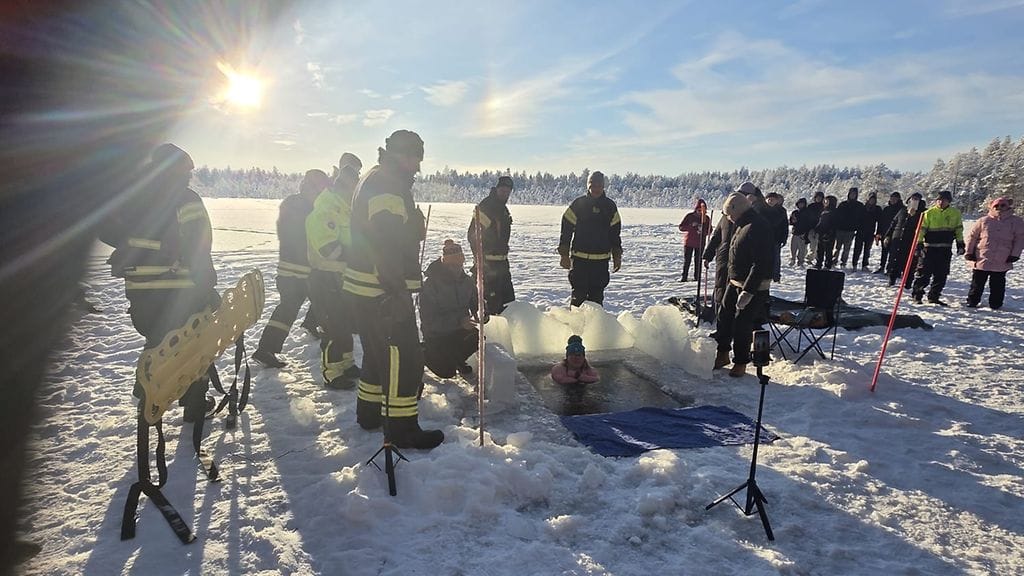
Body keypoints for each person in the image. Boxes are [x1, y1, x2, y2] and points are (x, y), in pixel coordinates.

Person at [98, 143, 217, 422]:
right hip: (180, 288)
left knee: (157, 340)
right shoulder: (186, 199)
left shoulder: (134, 197)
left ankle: (146, 393)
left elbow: (105, 227)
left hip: (139, 290)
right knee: (195, 342)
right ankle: (194, 403)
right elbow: (199, 244)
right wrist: (207, 286)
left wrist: (137, 245)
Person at [343, 130, 443, 449]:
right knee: (404, 357)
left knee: (377, 353)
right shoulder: (386, 185)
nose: (417, 166)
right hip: (382, 289)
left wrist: (412, 228)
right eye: (415, 158)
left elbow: (392, 232)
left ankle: (370, 413)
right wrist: (396, 291)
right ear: (401, 154)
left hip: (369, 288)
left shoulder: (380, 178)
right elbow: (384, 243)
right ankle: (402, 429)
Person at [252, 169, 330, 368]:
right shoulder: (299, 205)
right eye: (319, 187)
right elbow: (300, 236)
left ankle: (310, 326)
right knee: (294, 308)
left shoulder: (303, 204)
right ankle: (265, 349)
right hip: (297, 271)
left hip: (300, 270)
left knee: (302, 306)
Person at [306, 156, 363, 389]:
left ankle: (347, 365)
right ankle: (332, 372)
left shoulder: (345, 207)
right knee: (333, 326)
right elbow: (328, 247)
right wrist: (353, 255)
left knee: (345, 324)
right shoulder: (326, 208)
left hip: (342, 276)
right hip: (325, 276)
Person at [713, 193, 773, 377]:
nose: (727, 218)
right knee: (724, 316)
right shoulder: (741, 225)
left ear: (735, 210)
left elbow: (762, 263)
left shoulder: (758, 226)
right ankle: (723, 353)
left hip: (753, 286)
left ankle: (740, 362)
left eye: (728, 213)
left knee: (742, 324)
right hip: (735, 281)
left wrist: (748, 291)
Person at [558, 171, 623, 307]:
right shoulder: (579, 204)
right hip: (580, 261)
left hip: (600, 263)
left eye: (599, 185)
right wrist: (564, 254)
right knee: (578, 299)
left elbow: (615, 234)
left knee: (596, 302)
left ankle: (594, 328)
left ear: (603, 186)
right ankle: (576, 328)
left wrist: (617, 255)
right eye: (593, 185)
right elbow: (566, 229)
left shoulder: (610, 206)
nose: (596, 188)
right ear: (588, 186)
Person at [420, 240, 482, 378]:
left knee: (477, 338)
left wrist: (482, 312)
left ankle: (457, 360)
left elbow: (476, 303)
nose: (457, 269)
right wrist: (459, 322)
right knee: (446, 372)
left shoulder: (467, 281)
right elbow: (430, 322)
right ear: (444, 263)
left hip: (459, 330)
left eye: (460, 264)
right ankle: (423, 352)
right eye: (452, 265)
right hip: (437, 334)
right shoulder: (431, 285)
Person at [964, 197, 1024, 309]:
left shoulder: (1016, 222)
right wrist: (969, 252)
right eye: (996, 206)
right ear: (992, 207)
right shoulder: (983, 220)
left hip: (1002, 258)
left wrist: (1015, 254)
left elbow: (1020, 239)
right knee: (977, 283)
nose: (999, 208)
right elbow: (972, 237)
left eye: (1003, 205)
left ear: (1008, 206)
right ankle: (972, 301)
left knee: (998, 283)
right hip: (982, 257)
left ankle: (995, 303)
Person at [468, 175, 515, 314]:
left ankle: (507, 332)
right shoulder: (487, 207)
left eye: (507, 191)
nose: (505, 194)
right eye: (502, 190)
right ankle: (492, 334)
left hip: (502, 265)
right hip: (488, 266)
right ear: (497, 189)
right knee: (492, 306)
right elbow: (472, 235)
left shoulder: (503, 209)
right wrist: (480, 259)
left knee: (508, 303)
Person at [912, 190, 964, 305]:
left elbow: (958, 229)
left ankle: (934, 296)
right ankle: (917, 295)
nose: (941, 202)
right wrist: (919, 243)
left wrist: (960, 243)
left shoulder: (955, 213)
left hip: (945, 249)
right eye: (939, 200)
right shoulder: (928, 213)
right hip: (929, 248)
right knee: (923, 274)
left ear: (948, 201)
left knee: (941, 275)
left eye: (944, 200)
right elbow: (921, 230)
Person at [883, 192, 924, 288]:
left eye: (916, 200)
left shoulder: (922, 213)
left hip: (910, 241)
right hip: (897, 239)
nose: (913, 201)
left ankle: (908, 283)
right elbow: (893, 223)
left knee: (910, 263)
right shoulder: (902, 210)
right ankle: (891, 280)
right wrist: (888, 235)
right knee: (894, 260)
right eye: (912, 199)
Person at [677, 199, 711, 282]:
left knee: (698, 261)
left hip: (700, 243)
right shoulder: (690, 216)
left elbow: (710, 230)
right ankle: (684, 277)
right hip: (689, 242)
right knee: (687, 260)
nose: (700, 212)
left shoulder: (706, 218)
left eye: (703, 210)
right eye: (699, 210)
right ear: (696, 209)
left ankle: (697, 277)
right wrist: (691, 227)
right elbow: (681, 227)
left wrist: (703, 230)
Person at [833, 187, 864, 267]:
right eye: (851, 194)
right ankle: (834, 261)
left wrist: (857, 228)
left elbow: (861, 219)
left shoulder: (859, 206)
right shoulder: (843, 204)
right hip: (840, 229)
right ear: (848, 194)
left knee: (846, 248)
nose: (852, 195)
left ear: (856, 195)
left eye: (854, 194)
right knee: (837, 247)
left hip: (850, 231)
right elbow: (836, 216)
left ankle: (843, 262)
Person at [874, 193, 903, 273]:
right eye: (892, 198)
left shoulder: (901, 209)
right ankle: (882, 266)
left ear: (898, 199)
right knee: (884, 251)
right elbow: (881, 221)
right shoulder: (886, 209)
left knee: (893, 252)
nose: (893, 200)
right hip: (885, 232)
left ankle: (890, 268)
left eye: (895, 198)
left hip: (896, 234)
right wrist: (878, 232)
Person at [852, 193, 881, 271]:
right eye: (871, 199)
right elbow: (857, 219)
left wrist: (878, 233)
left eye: (873, 199)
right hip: (860, 231)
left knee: (867, 250)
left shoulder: (877, 209)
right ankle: (854, 264)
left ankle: (865, 265)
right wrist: (855, 229)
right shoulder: (862, 208)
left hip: (870, 232)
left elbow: (880, 222)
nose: (872, 201)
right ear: (868, 199)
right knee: (857, 249)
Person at [764, 192, 789, 282]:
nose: (770, 201)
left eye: (773, 199)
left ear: (777, 201)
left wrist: (784, 238)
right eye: (769, 199)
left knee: (775, 259)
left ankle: (776, 276)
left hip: (776, 238)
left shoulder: (782, 211)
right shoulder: (761, 209)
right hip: (763, 239)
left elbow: (785, 226)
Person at [814, 196, 839, 270]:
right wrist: (817, 229)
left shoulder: (834, 211)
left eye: (827, 201)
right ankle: (819, 263)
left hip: (829, 234)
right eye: (825, 201)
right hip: (821, 233)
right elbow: (821, 221)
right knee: (820, 250)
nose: (825, 202)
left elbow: (834, 224)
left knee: (828, 250)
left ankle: (828, 265)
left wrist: (829, 233)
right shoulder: (824, 210)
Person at [802, 191, 825, 266]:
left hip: (820, 229)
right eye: (817, 197)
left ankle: (813, 258)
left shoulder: (824, 207)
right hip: (810, 228)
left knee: (817, 245)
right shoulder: (811, 206)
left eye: (820, 197)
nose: (818, 199)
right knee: (812, 244)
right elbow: (807, 217)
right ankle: (809, 258)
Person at [788, 198, 812, 267]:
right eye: (799, 203)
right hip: (795, 232)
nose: (801, 205)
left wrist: (806, 233)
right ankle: (792, 259)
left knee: (802, 249)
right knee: (793, 248)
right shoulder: (795, 212)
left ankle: (800, 261)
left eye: (802, 203)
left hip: (803, 232)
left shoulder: (807, 212)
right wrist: (793, 221)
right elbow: (790, 222)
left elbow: (809, 223)